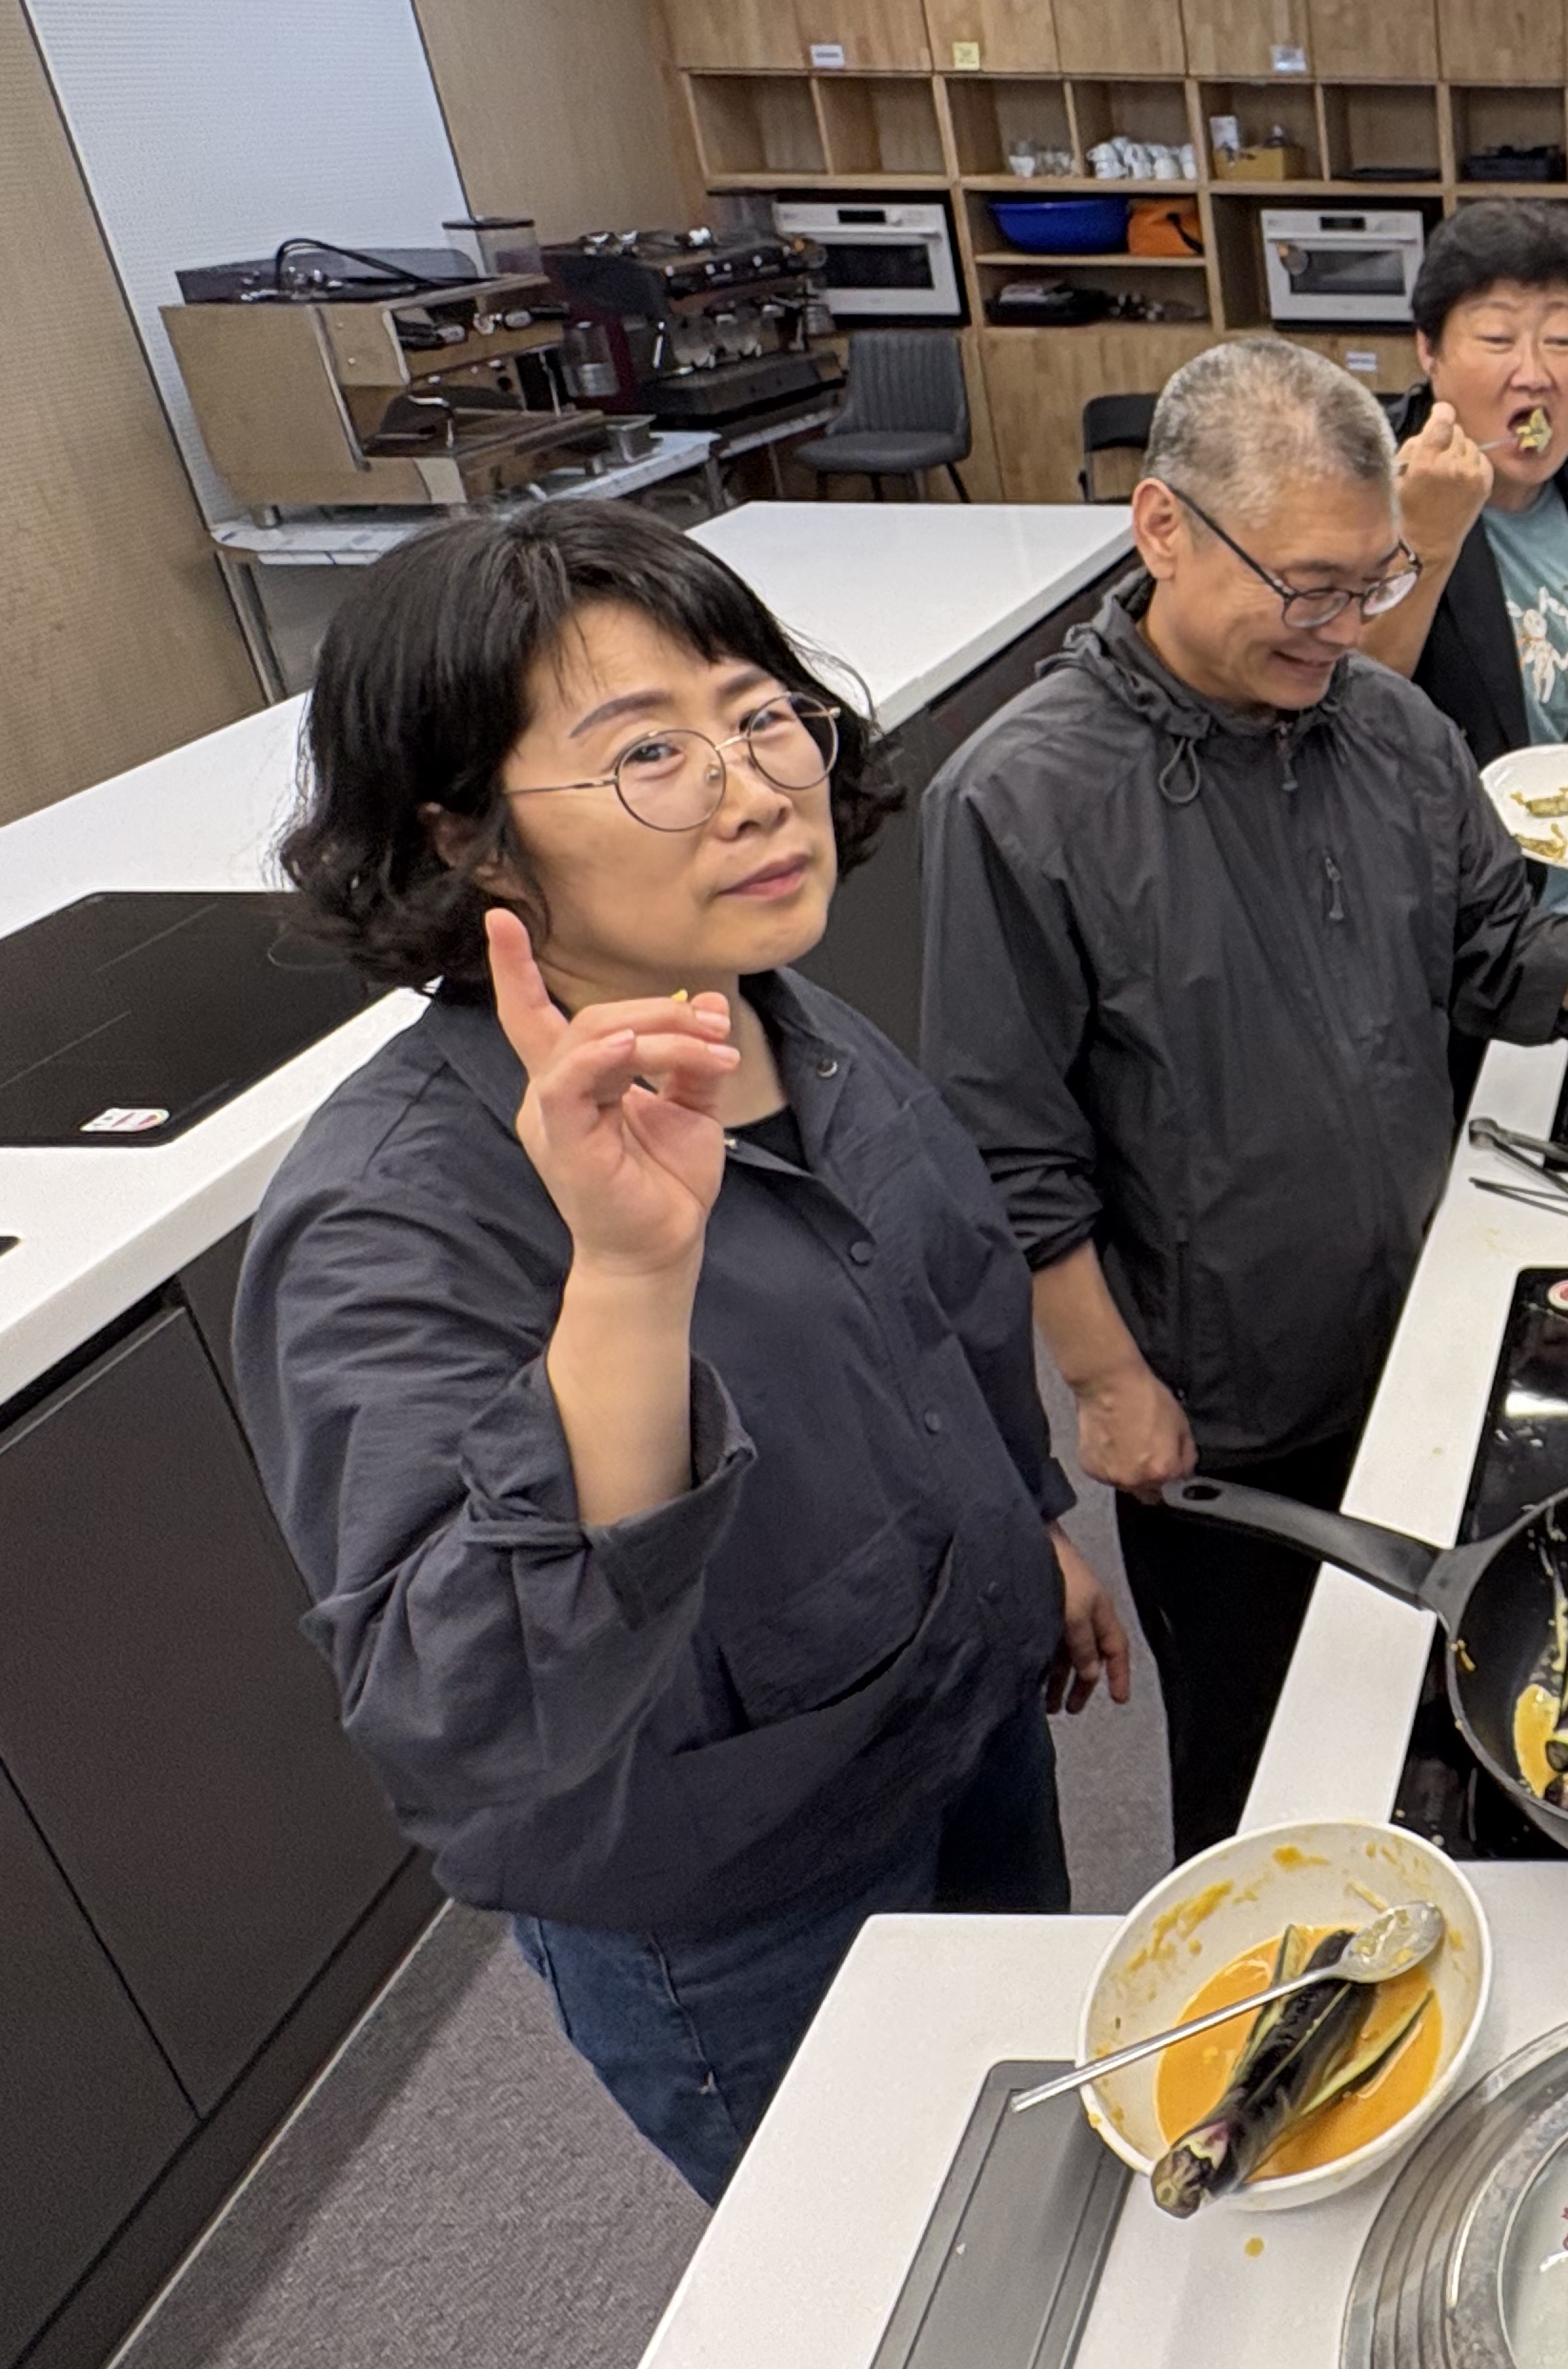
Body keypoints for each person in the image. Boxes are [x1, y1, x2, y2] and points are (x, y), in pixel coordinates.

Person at [234, 506, 1127, 2200]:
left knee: (1052, 2160)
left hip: (962, 1724)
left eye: (759, 713)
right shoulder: (388, 1212)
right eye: (649, 750)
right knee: (882, 2253)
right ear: (472, 839)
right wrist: (630, 1279)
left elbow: (935, 1305)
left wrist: (1029, 1524)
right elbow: (469, 1716)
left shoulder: (780, 1014)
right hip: (742, 1882)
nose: (756, 786)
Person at [920, 336, 1568, 1856]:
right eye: (1308, 588)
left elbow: (1494, 954)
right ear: (1163, 527)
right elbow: (1008, 1149)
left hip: (1432, 1340)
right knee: (1263, 1763)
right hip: (1227, 1403)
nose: (1346, 629)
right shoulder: (1022, 799)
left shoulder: (1392, 733)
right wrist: (1106, 1384)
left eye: (1376, 583)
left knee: (1449, 1716)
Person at [1362, 201, 1568, 816]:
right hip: (1427, 854)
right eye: (1497, 339)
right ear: (1428, 349)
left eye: (1562, 341)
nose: (1534, 374)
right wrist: (1428, 540)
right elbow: (1343, 701)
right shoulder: (1365, 488)